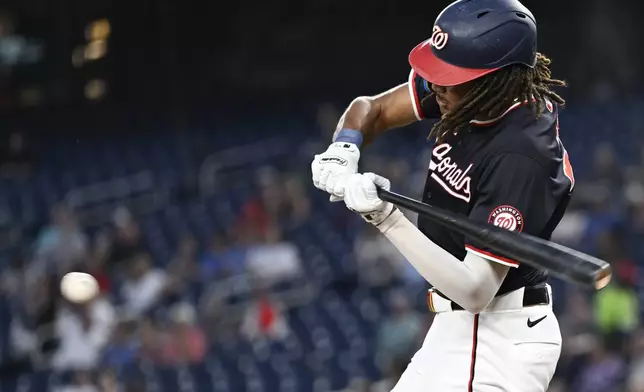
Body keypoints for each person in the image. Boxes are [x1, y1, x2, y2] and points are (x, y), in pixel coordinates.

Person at [311, 0, 575, 390]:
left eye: (451, 76)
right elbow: (375, 109)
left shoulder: (519, 154)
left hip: (498, 339)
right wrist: (344, 148)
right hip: (456, 331)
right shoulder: (471, 94)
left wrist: (385, 217)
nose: (437, 85)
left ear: (498, 79)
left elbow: (475, 290)